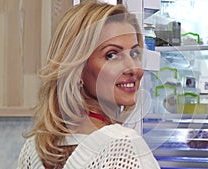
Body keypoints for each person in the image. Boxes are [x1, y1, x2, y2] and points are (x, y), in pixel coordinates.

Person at [17, 1, 160, 168]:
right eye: (112, 55)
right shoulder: (123, 148)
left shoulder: (33, 149)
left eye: (134, 53)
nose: (134, 68)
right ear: (77, 69)